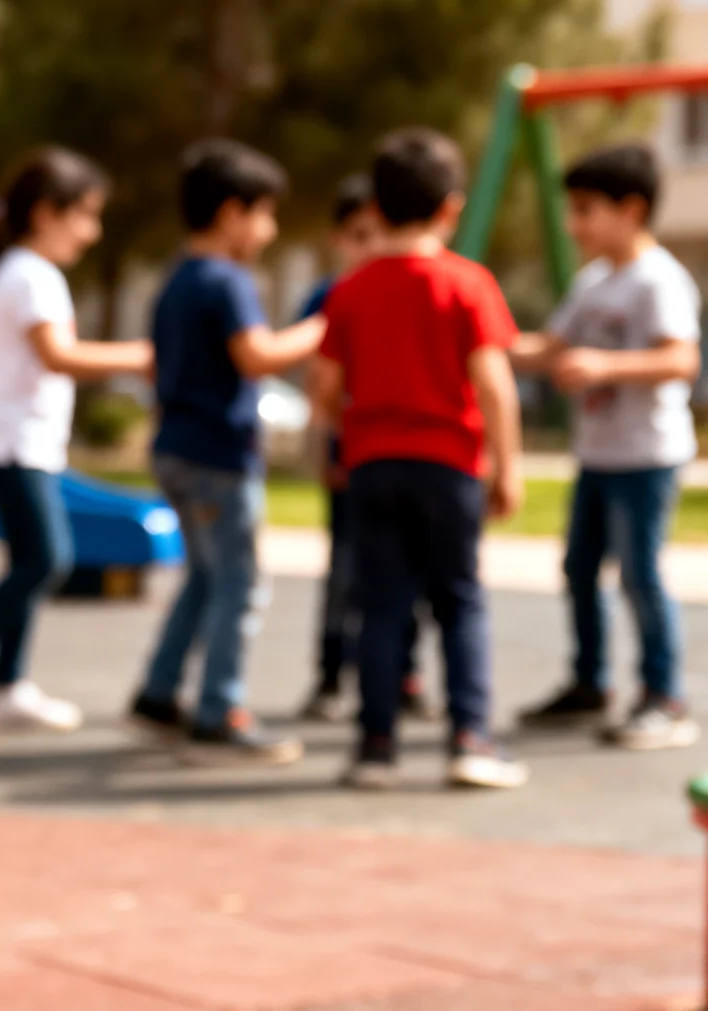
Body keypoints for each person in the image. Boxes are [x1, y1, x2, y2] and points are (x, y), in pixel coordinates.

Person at [313, 127, 528, 790]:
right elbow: (493, 383)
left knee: (382, 606)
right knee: (459, 600)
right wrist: (507, 463)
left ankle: (376, 745)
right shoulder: (467, 284)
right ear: (451, 208)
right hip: (449, 463)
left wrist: (333, 445)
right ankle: (470, 738)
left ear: (373, 209)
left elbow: (324, 388)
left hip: (374, 463)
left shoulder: (349, 290)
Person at [0, 146, 154, 733]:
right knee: (49, 558)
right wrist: (144, 356)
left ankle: (10, 684)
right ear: (48, 213)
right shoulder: (32, 274)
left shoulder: (19, 273)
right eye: (85, 215)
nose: (92, 233)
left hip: (13, 439)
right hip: (10, 443)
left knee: (30, 558)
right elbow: (59, 355)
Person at [127, 139, 322, 765]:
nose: (267, 231)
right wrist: (324, 327)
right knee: (239, 584)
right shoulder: (228, 281)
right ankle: (219, 709)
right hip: (219, 456)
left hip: (176, 449)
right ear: (233, 212)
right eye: (264, 215)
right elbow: (257, 357)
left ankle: (159, 693)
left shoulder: (176, 280)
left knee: (205, 577)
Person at [512, 144, 701, 750]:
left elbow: (682, 359)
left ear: (631, 209)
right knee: (577, 569)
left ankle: (664, 697)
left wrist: (606, 366)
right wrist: (485, 339)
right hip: (597, 454)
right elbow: (551, 346)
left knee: (640, 576)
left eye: (586, 210)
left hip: (646, 456)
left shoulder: (659, 279)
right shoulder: (594, 280)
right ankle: (590, 684)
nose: (574, 224)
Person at [299, 175, 434, 723]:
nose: (370, 246)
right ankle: (332, 674)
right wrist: (326, 452)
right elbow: (319, 386)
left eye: (377, 233)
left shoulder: (409, 286)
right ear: (338, 239)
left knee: (412, 574)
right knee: (345, 573)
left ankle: (404, 672)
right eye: (359, 235)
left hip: (409, 457)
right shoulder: (333, 297)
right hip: (353, 458)